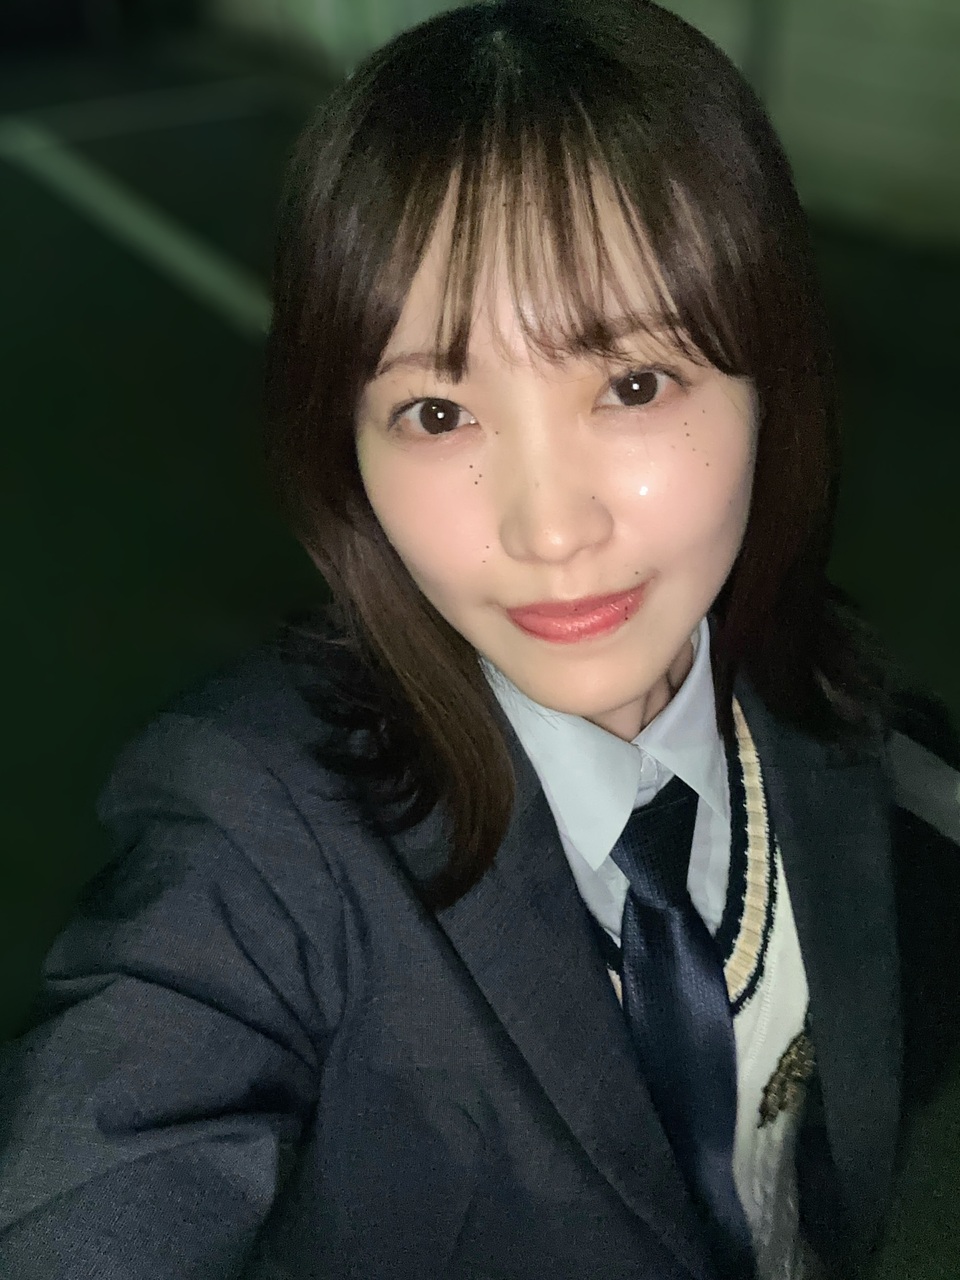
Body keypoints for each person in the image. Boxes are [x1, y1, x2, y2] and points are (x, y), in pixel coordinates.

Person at [1, 1, 958, 1277]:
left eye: (632, 383)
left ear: (770, 387)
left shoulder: (850, 721)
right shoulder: (254, 836)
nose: (549, 529)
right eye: (438, 411)